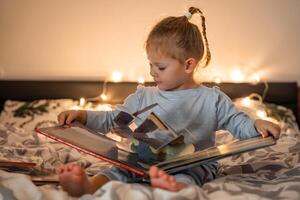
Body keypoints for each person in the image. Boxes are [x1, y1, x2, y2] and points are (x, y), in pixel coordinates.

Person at [56, 7, 281, 197]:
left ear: (189, 65)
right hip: (141, 163)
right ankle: (87, 187)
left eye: (160, 67)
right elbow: (112, 119)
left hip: (189, 165)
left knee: (189, 177)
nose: (152, 72)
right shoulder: (143, 96)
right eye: (150, 64)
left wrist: (257, 125)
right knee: (116, 169)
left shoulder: (211, 100)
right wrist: (83, 115)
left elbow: (237, 122)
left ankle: (175, 190)